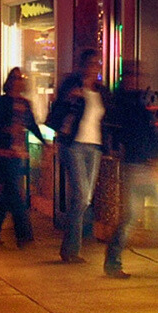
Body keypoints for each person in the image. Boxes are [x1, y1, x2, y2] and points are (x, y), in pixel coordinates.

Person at [104, 61, 158, 278]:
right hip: (136, 164)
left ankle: (113, 260)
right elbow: (136, 135)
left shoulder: (129, 102)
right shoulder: (128, 104)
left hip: (139, 164)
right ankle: (113, 260)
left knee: (142, 215)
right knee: (136, 216)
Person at [45, 48, 107, 263]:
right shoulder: (71, 86)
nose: (94, 67)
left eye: (97, 63)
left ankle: (74, 244)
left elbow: (107, 119)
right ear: (82, 65)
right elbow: (56, 111)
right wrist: (69, 98)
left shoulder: (101, 91)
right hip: (74, 145)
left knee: (86, 197)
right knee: (81, 196)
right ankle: (71, 250)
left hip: (95, 146)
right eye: (90, 63)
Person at [0, 68, 44, 247]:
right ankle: (24, 236)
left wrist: (45, 142)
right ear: (9, 81)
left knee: (7, 195)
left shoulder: (24, 104)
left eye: (21, 78)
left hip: (18, 153)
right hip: (3, 153)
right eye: (16, 78)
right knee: (15, 195)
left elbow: (32, 124)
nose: (19, 81)